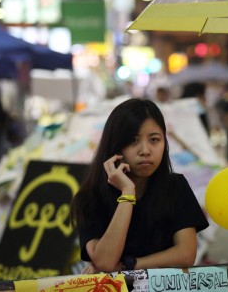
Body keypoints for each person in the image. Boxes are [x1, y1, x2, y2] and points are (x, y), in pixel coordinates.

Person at [70, 98, 209, 272]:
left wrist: (130, 265)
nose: (145, 150)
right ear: (115, 147)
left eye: (154, 140)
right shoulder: (90, 197)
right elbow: (105, 262)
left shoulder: (176, 187)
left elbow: (186, 254)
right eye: (133, 140)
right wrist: (127, 193)